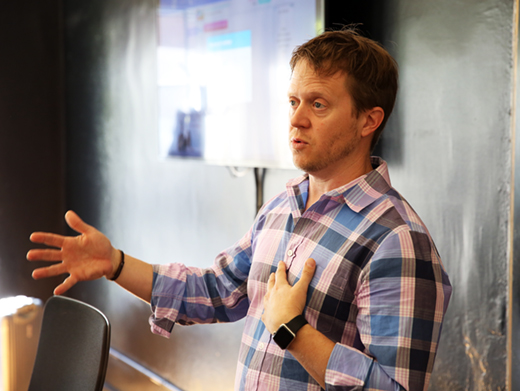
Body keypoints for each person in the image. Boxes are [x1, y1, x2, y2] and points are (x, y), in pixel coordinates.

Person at [27, 28, 451, 391]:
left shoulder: (397, 240)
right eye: (293, 102)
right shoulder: (284, 206)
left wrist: (292, 331)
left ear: (368, 120)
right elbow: (219, 291)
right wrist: (115, 263)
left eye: (318, 104)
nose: (296, 120)